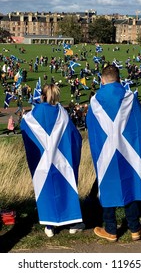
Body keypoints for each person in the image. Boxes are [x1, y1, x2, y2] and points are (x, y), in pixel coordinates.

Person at [86, 65, 141, 242]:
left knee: (107, 184)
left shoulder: (95, 100)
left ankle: (111, 229)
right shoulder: (130, 96)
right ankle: (135, 228)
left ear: (102, 80)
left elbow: (91, 126)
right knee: (130, 185)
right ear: (119, 79)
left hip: (106, 150)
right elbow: (139, 125)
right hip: (128, 150)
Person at [21, 84, 85, 237]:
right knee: (67, 187)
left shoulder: (30, 117)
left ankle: (49, 225)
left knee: (46, 188)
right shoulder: (62, 114)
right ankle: (73, 223)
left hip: (42, 161)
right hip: (63, 159)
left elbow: (25, 132)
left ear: (41, 96)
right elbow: (75, 137)